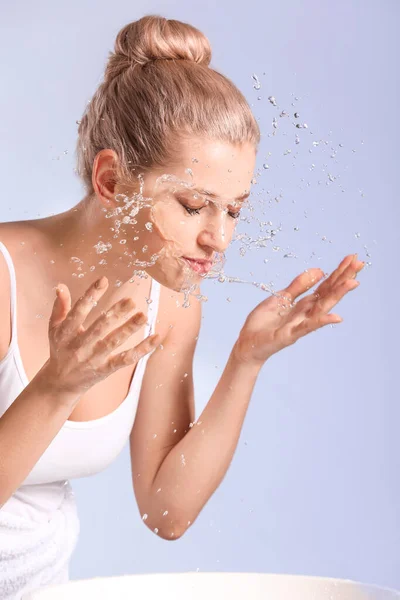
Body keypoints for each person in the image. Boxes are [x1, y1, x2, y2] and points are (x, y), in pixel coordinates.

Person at [0, 14, 364, 599]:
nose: (219, 238)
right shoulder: (3, 276)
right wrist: (55, 387)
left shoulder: (169, 304)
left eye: (235, 209)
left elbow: (166, 513)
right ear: (112, 179)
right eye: (194, 205)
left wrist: (246, 360)